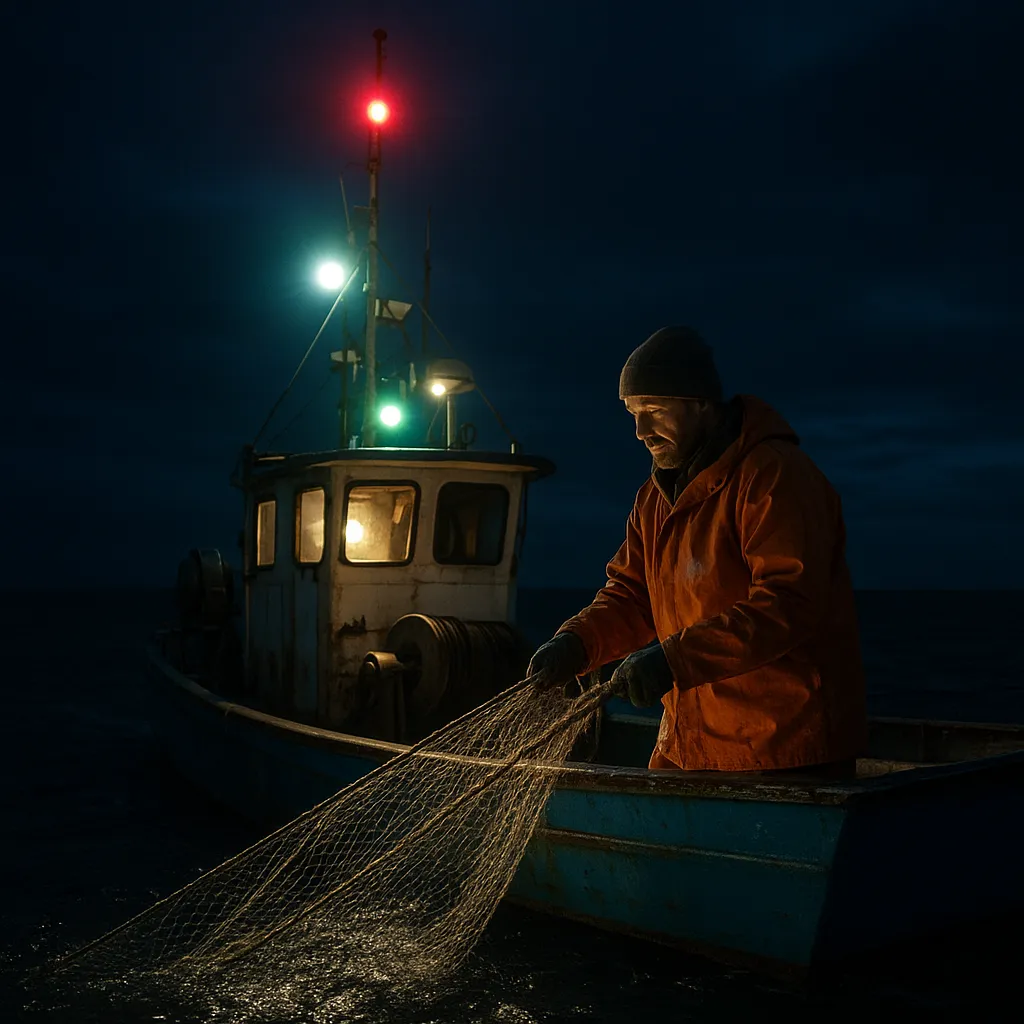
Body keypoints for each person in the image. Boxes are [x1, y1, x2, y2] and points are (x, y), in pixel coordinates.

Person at [528, 326, 867, 773]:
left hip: (781, 749)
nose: (639, 431)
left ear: (701, 403)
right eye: (632, 413)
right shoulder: (653, 499)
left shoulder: (774, 478)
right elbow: (632, 596)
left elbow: (788, 603)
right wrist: (576, 643)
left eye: (653, 410)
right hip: (689, 746)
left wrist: (674, 660)